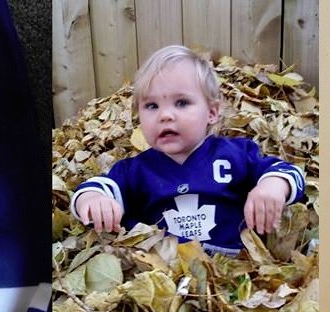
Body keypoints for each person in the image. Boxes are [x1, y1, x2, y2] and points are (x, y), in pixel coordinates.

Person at [70, 45, 306, 256]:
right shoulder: (137, 170)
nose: (165, 115)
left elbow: (288, 172)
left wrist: (272, 186)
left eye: (181, 103)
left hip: (235, 271)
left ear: (212, 112)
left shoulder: (235, 154)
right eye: (151, 106)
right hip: (165, 278)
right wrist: (93, 200)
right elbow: (95, 187)